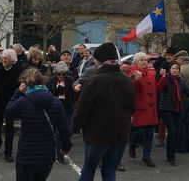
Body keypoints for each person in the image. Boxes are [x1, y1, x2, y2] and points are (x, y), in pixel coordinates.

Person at [72, 42, 135, 181]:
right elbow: (132, 107)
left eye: (95, 59)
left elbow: (82, 109)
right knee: (109, 172)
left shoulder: (94, 80)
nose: (94, 61)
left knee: (88, 171)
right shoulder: (126, 80)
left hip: (97, 135)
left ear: (100, 60)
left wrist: (75, 127)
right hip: (120, 134)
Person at [7, 67, 72, 181]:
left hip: (26, 154)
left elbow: (9, 112)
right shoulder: (56, 102)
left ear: (25, 84)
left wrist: (18, 93)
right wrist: (66, 147)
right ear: (43, 81)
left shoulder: (23, 101)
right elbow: (64, 129)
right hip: (47, 155)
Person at [157, 62, 189, 165]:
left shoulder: (180, 80)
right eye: (173, 68)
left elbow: (188, 92)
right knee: (172, 130)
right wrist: (162, 76)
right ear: (169, 70)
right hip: (166, 109)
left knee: (176, 132)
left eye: (177, 69)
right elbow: (158, 88)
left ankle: (171, 154)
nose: (175, 70)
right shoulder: (166, 78)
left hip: (177, 109)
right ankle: (170, 157)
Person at [127, 52, 158, 167]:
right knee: (138, 131)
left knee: (149, 133)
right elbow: (129, 89)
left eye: (145, 60)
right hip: (139, 107)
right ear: (136, 62)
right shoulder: (133, 73)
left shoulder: (151, 74)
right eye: (141, 60)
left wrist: (164, 78)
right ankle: (132, 144)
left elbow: (156, 89)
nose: (144, 62)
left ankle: (146, 156)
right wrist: (136, 79)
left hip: (151, 108)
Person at [46, 61, 75, 163]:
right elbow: (49, 94)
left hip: (67, 109)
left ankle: (61, 150)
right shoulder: (50, 81)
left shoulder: (70, 80)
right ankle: (58, 153)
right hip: (54, 109)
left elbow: (73, 94)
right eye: (59, 74)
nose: (61, 76)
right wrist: (58, 89)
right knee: (56, 133)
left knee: (67, 131)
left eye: (64, 74)